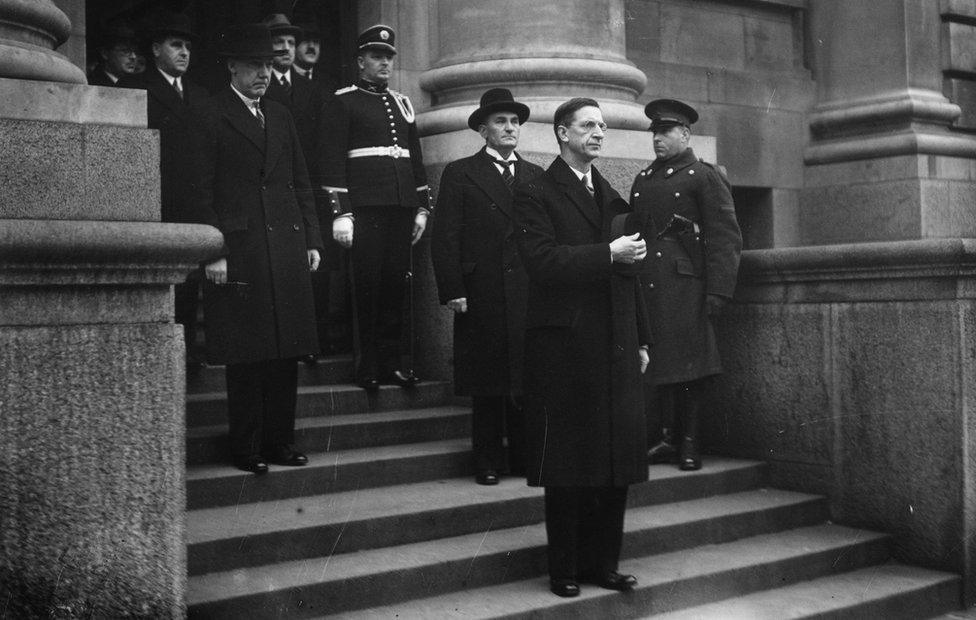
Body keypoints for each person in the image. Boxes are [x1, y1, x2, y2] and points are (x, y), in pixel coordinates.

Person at [513, 97, 651, 598]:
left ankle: (604, 565)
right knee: (569, 464)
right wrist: (606, 253)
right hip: (565, 347)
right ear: (561, 135)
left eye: (602, 125)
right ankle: (565, 570)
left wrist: (642, 337)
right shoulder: (535, 192)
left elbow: (630, 274)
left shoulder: (608, 192)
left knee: (612, 462)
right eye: (587, 125)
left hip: (614, 342)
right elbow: (542, 262)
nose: (598, 133)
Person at [186, 23, 323, 475]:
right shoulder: (210, 112)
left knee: (286, 350)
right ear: (233, 68)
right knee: (247, 354)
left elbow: (301, 180)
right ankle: (245, 447)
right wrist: (213, 250)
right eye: (254, 67)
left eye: (267, 65)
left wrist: (312, 239)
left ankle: (281, 441)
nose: (264, 74)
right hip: (239, 248)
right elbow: (200, 190)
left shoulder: (280, 115)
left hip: (285, 244)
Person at [431, 88, 545, 486]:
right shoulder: (461, 172)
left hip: (527, 292)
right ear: (483, 130)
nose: (510, 128)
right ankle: (488, 460)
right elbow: (445, 236)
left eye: (515, 122)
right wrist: (453, 289)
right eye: (500, 121)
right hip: (482, 290)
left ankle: (524, 456)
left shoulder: (534, 175)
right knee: (488, 379)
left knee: (526, 375)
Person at [314, 24, 432, 390]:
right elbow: (331, 159)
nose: (384, 63)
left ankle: (392, 363)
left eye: (389, 58)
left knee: (396, 287)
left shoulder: (401, 103)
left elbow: (414, 158)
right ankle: (366, 366)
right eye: (377, 57)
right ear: (360, 61)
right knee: (366, 287)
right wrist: (341, 212)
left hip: (400, 207)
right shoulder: (343, 100)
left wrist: (422, 207)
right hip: (364, 209)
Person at [630, 99, 742, 471]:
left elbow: (725, 236)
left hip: (688, 288)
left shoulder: (703, 176)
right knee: (661, 366)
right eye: (655, 133)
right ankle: (667, 438)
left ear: (685, 134)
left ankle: (690, 441)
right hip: (650, 287)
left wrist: (718, 291)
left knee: (691, 369)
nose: (657, 139)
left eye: (665, 132)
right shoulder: (644, 179)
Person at [119, 11, 208, 366]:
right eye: (176, 45)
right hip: (153, 203)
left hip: (192, 203)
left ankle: (187, 357)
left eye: (187, 46)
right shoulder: (133, 89)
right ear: (156, 49)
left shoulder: (201, 96)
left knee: (189, 285)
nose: (184, 52)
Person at [87, 18, 139, 87]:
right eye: (125, 51)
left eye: (135, 51)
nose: (133, 56)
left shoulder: (138, 84)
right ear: (105, 53)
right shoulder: (91, 84)